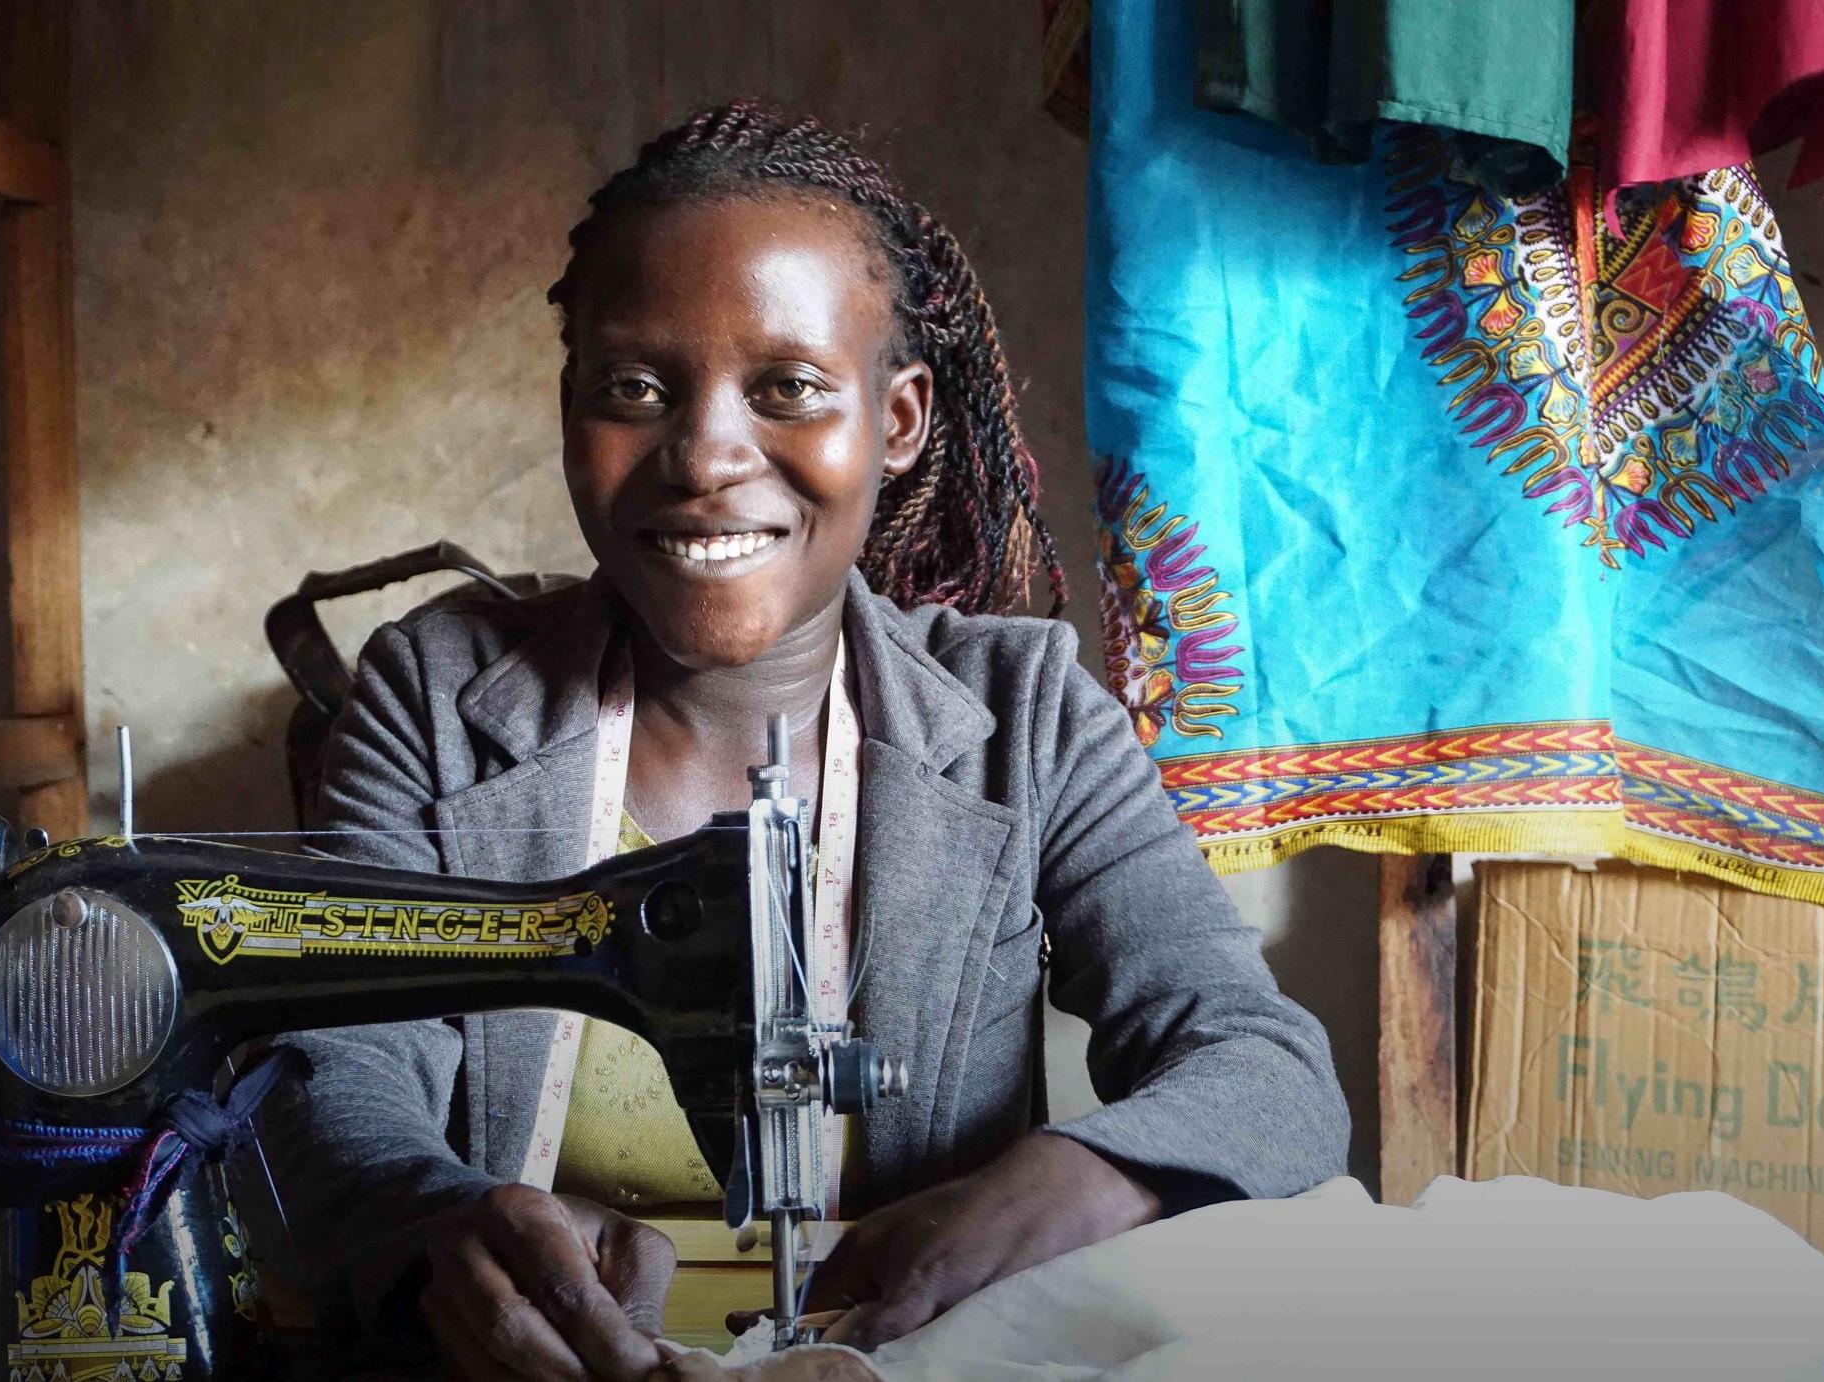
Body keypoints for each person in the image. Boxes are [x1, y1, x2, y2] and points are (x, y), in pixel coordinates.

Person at [262, 102, 1347, 1381]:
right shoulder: (438, 698)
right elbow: (334, 1085)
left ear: (895, 421)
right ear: (569, 413)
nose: (707, 453)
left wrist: (1070, 1178)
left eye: (787, 388)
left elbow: (1267, 1069)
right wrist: (439, 1221)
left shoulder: (1025, 712)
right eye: (633, 387)